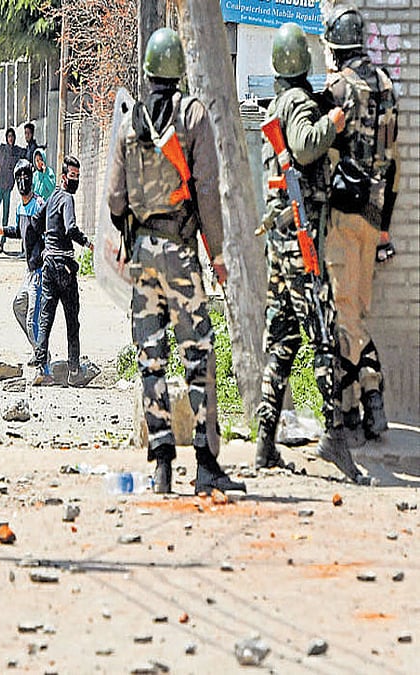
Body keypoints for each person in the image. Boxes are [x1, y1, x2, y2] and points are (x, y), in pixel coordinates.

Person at [106, 28, 244, 495]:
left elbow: (113, 198)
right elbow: (206, 192)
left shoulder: (130, 122)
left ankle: (161, 464)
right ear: (180, 70)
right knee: (199, 357)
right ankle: (206, 464)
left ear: (147, 71)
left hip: (143, 257)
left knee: (151, 360)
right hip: (182, 256)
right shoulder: (193, 117)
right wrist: (218, 253)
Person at [252, 23, 364, 482]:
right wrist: (333, 124)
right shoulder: (298, 104)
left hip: (280, 242)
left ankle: (264, 442)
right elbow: (304, 144)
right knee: (322, 336)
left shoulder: (279, 101)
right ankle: (335, 437)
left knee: (281, 339)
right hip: (299, 241)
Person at [322, 5, 399, 445]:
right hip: (373, 215)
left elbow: (321, 149)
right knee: (354, 310)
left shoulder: (338, 89)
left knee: (343, 313)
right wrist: (385, 224)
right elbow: (394, 161)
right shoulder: (386, 86)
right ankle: (362, 407)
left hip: (343, 215)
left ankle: (368, 400)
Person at [30, 155, 99, 389]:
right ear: (63, 177)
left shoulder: (51, 198)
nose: (75, 181)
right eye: (72, 176)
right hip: (64, 266)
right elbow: (70, 228)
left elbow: (35, 222)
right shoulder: (67, 198)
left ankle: (41, 369)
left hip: (48, 265)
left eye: (78, 176)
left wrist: (43, 247)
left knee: (46, 317)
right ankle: (74, 370)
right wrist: (89, 244)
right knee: (72, 320)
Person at [0, 159, 46, 364]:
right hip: (29, 272)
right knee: (19, 306)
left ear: (32, 177)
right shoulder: (21, 206)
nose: (22, 180)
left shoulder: (39, 206)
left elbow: (50, 233)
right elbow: (20, 231)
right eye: (18, 176)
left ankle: (43, 365)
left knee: (32, 320)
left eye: (26, 175)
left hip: (40, 271)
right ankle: (40, 350)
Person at [0, 128, 22, 252]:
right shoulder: (2, 149)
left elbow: (26, 153)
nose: (11, 139)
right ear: (6, 138)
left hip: (8, 186)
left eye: (12, 136)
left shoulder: (16, 152)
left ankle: (2, 241)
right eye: (9, 136)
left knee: (5, 214)